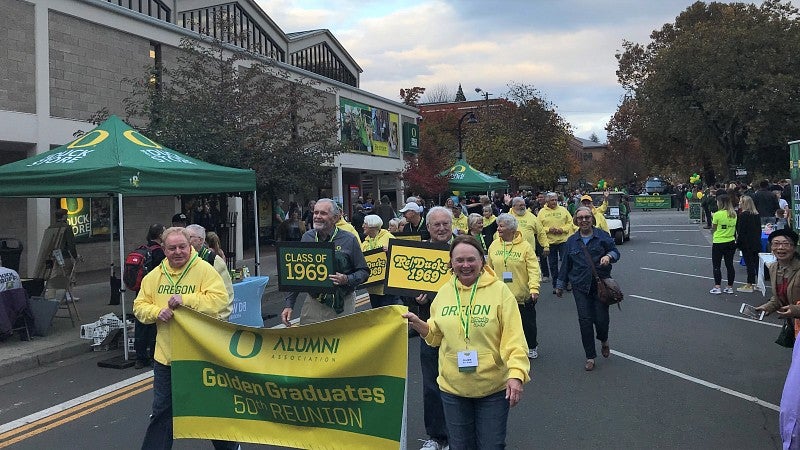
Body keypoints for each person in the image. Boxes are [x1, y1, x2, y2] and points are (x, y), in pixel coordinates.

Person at [403, 235, 530, 449]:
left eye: (471, 259)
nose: (465, 265)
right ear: (451, 263)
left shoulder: (500, 292)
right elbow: (435, 336)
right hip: (453, 389)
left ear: (482, 260)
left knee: (491, 445)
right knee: (460, 446)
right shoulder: (443, 293)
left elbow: (514, 339)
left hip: (492, 388)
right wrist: (419, 324)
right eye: (459, 260)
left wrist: (517, 375)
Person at [132, 227, 236, 450]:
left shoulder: (204, 271)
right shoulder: (155, 276)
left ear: (190, 246)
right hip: (167, 358)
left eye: (182, 247)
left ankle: (229, 446)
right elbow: (139, 307)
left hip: (201, 356)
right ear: (164, 249)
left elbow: (220, 300)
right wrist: (156, 312)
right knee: (162, 411)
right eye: (172, 248)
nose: (178, 252)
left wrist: (186, 300)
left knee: (211, 408)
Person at [281, 199, 369, 326]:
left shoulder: (349, 239)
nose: (317, 216)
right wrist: (289, 305)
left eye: (323, 213)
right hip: (314, 303)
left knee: (340, 343)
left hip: (343, 303)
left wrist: (346, 279)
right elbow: (296, 275)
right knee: (311, 342)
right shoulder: (307, 238)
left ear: (335, 218)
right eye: (315, 212)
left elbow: (364, 271)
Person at [409, 206, 454, 450]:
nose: (441, 228)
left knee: (464, 382)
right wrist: (416, 299)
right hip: (428, 328)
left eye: (445, 223)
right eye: (436, 224)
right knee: (432, 385)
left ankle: (461, 434)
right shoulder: (419, 253)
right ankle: (437, 436)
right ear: (428, 228)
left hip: (461, 330)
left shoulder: (465, 249)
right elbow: (404, 289)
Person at [555, 207, 620, 371]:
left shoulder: (602, 236)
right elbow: (565, 265)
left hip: (600, 286)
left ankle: (603, 339)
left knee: (601, 319)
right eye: (580, 218)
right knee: (585, 321)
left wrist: (608, 256)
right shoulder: (571, 241)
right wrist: (560, 285)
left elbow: (615, 251)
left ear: (592, 219)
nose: (584, 220)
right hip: (580, 287)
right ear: (576, 221)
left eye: (587, 217)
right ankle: (590, 356)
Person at [487, 213, 542, 359]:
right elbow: (489, 269)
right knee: (501, 324)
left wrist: (534, 288)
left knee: (527, 324)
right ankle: (507, 348)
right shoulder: (494, 245)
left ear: (511, 229)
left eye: (501, 226)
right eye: (498, 225)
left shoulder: (525, 247)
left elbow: (533, 268)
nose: (498, 228)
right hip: (500, 294)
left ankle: (531, 345)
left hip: (521, 295)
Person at [133, 223, 166, 369]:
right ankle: (154, 356)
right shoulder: (159, 252)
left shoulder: (143, 249)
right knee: (154, 326)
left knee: (140, 324)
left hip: (141, 289)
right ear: (160, 235)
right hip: (155, 292)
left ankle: (140, 358)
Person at [185, 224, 234, 311]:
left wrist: (220, 318)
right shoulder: (180, 259)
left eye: (189, 237)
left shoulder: (214, 260)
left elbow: (227, 293)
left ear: (200, 240)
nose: (185, 240)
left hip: (208, 317)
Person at [756, 228, 800, 317]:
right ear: (771, 247)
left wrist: (796, 310)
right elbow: (779, 296)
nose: (780, 247)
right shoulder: (773, 268)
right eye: (776, 243)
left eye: (785, 244)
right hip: (792, 323)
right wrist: (768, 307)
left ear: (794, 247)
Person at [361, 214, 399, 308]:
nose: (362, 226)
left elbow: (399, 255)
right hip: (372, 286)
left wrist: (390, 250)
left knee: (387, 314)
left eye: (365, 224)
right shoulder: (365, 242)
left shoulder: (388, 237)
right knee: (376, 313)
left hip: (386, 286)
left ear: (372, 226)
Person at [537, 192, 572, 293]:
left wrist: (563, 229)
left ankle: (567, 282)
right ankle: (556, 285)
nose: (554, 202)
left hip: (563, 240)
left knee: (566, 262)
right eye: (552, 200)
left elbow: (570, 222)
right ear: (547, 201)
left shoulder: (563, 210)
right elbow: (538, 227)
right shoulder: (542, 212)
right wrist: (548, 229)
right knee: (553, 264)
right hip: (549, 242)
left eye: (556, 200)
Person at [709, 194, 737, 295]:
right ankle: (730, 287)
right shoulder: (734, 214)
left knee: (716, 265)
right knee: (729, 265)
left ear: (720, 203)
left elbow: (714, 229)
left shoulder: (717, 214)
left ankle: (717, 286)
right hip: (730, 241)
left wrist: (713, 218)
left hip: (719, 241)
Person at [736, 196, 761, 293]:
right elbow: (758, 230)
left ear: (744, 203)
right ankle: (758, 283)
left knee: (749, 264)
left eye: (741, 202)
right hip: (755, 241)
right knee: (756, 263)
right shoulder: (756, 214)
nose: (739, 203)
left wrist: (738, 244)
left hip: (746, 243)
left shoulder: (743, 215)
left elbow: (741, 231)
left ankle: (750, 283)